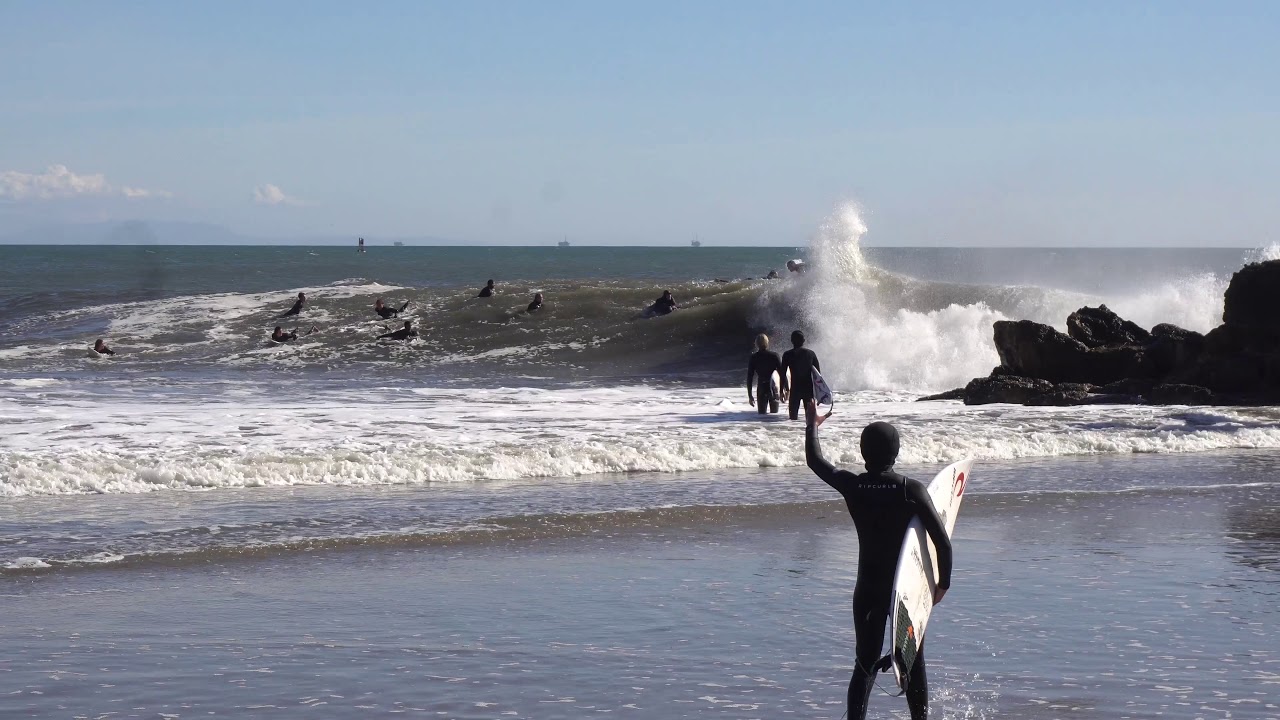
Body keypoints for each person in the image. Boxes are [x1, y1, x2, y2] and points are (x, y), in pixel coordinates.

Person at [806, 420, 952, 720]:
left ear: (862, 452)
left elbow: (815, 461)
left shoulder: (854, 486)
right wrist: (941, 585)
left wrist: (812, 423)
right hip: (905, 591)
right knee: (913, 661)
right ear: (896, 452)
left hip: (868, 589)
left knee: (864, 664)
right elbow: (943, 543)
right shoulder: (911, 490)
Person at [781, 330, 821, 422]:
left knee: (793, 418)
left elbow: (782, 374)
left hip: (795, 390)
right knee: (810, 420)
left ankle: (793, 435)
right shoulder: (811, 354)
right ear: (804, 340)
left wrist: (782, 391)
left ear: (791, 341)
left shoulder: (787, 355)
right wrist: (819, 394)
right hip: (808, 389)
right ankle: (809, 435)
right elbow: (818, 376)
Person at [746, 333, 784, 414]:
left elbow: (750, 377)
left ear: (756, 344)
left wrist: (750, 396)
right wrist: (784, 390)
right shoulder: (774, 356)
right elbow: (782, 374)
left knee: (762, 416)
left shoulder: (754, 357)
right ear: (767, 342)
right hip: (773, 388)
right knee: (774, 416)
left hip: (761, 388)